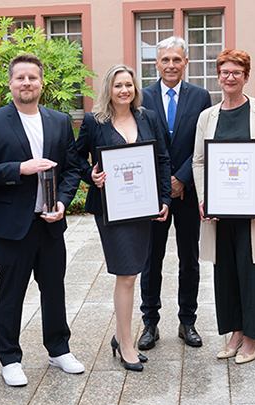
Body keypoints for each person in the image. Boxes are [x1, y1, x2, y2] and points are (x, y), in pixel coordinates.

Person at [0, 54, 85, 387]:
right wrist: (20, 168)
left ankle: (59, 349)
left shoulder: (59, 120)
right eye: (20, 77)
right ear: (10, 83)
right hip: (11, 226)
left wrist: (62, 202)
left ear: (41, 83)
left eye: (32, 77)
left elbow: (72, 168)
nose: (26, 83)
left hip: (49, 222)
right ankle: (9, 358)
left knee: (54, 288)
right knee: (11, 292)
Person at [193, 49, 255, 364]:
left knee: (253, 273)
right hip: (220, 213)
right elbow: (199, 161)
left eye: (236, 72)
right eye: (225, 72)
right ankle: (235, 332)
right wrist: (204, 197)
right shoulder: (208, 117)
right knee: (226, 274)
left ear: (246, 77)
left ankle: (252, 337)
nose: (230, 77)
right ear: (218, 76)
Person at [76, 64, 171, 371]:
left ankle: (120, 336)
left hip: (142, 207)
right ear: (109, 89)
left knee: (134, 272)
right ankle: (127, 344)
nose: (124, 90)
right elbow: (75, 156)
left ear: (135, 88)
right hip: (111, 210)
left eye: (128, 85)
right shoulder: (94, 121)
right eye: (118, 85)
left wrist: (165, 199)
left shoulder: (148, 117)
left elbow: (162, 159)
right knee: (127, 274)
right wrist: (91, 176)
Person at [138, 36, 212, 351]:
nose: (171, 65)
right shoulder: (142, 96)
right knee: (150, 259)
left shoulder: (200, 96)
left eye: (176, 59)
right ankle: (149, 323)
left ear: (186, 62)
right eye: (165, 60)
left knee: (189, 259)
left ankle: (187, 321)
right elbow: (138, 141)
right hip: (153, 193)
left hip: (187, 191)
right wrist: (162, 182)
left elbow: (204, 141)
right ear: (156, 63)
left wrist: (181, 177)